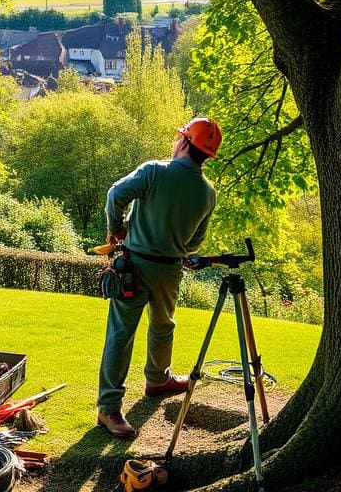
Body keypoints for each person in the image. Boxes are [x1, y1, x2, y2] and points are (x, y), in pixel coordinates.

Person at [96, 117, 221, 439]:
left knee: (121, 334)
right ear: (207, 154)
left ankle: (109, 408)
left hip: (134, 265)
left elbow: (115, 195)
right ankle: (158, 379)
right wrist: (175, 241)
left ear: (183, 143)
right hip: (170, 269)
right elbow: (195, 242)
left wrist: (116, 227)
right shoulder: (207, 193)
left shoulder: (155, 171)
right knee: (163, 326)